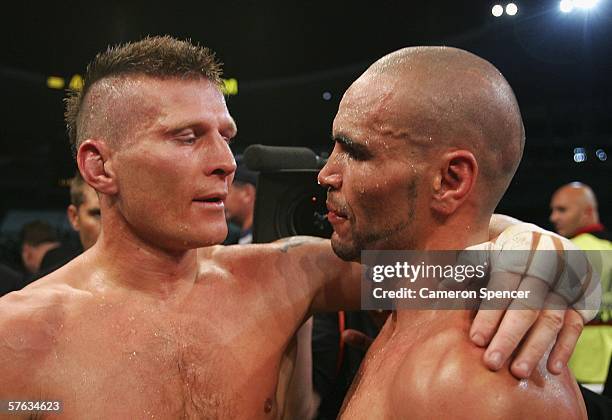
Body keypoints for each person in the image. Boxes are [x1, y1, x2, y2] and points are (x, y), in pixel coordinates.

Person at [0, 37, 593, 418]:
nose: (225, 162)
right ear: (99, 167)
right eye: (187, 137)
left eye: (225, 137)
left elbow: (432, 265)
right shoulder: (17, 341)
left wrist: (552, 257)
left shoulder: (287, 279)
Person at [317, 46, 588, 418]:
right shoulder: (403, 304)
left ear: (450, 180)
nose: (326, 174)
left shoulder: (474, 379)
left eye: (356, 153)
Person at [550, 182, 612, 394]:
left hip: (574, 373)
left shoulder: (568, 251)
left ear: (587, 212)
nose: (553, 217)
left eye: (562, 209)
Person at [37, 172, 102, 276]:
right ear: (74, 217)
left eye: (120, 215)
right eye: (97, 214)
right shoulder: (45, 287)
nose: (111, 224)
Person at [224, 155, 258, 244]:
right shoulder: (238, 239)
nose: (220, 199)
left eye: (226, 190)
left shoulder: (266, 243)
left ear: (247, 194)